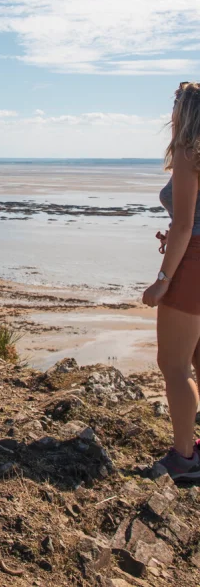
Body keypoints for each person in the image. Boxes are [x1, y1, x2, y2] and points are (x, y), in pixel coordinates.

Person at [143, 81, 200, 480]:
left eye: (175, 105)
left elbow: (183, 224)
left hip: (192, 263)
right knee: (198, 359)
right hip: (194, 253)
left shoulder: (188, 150)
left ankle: (184, 459)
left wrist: (163, 279)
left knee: (174, 365)